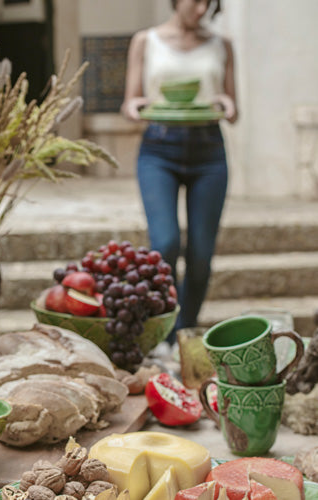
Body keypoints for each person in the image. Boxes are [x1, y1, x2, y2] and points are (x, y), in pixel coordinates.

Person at [121, 0, 238, 344]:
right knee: (166, 243)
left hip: (209, 152)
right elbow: (130, 102)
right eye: (195, 0)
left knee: (201, 254)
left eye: (209, 3)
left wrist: (228, 106)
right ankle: (164, 331)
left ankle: (184, 332)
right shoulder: (146, 40)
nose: (201, 9)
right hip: (159, 149)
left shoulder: (223, 44)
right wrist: (135, 108)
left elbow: (233, 107)